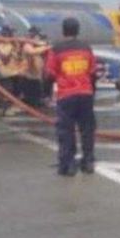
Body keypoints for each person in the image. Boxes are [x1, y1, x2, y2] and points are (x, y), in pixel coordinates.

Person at [45, 17, 97, 176]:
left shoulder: (57, 49)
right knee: (87, 129)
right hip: (85, 94)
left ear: (63, 30)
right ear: (77, 30)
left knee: (66, 130)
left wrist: (47, 93)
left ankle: (68, 165)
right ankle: (88, 162)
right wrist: (91, 90)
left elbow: (48, 74)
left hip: (66, 95)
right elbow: (93, 72)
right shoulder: (86, 48)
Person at [0, 25, 22, 116]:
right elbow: (5, 59)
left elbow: (18, 56)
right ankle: (3, 110)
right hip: (6, 73)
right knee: (7, 92)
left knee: (2, 91)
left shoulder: (0, 45)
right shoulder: (3, 46)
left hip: (8, 72)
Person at [21, 26, 50, 107]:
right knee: (30, 95)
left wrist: (45, 44)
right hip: (28, 75)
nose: (38, 37)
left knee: (37, 94)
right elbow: (32, 52)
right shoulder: (27, 45)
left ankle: (37, 104)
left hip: (36, 75)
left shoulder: (38, 45)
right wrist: (45, 47)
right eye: (36, 35)